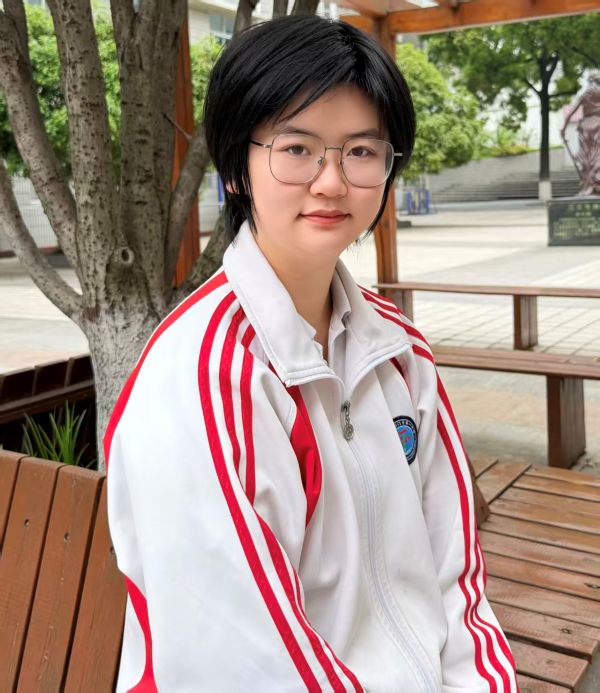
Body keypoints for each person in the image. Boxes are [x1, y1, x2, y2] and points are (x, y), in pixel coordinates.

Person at [104, 14, 518, 693]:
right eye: (296, 148)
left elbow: (456, 573)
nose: (331, 182)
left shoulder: (399, 349)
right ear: (237, 168)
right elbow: (240, 659)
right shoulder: (204, 376)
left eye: (362, 151)